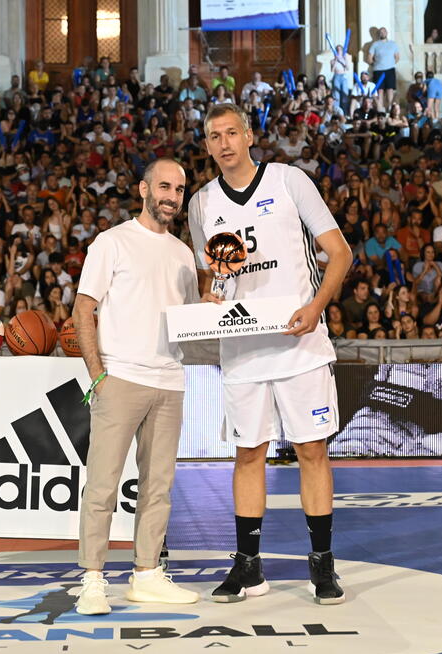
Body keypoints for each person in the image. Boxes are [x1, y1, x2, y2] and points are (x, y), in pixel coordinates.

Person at [190, 104, 351, 604]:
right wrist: (209, 293)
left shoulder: (288, 180)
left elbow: (340, 253)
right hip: (242, 349)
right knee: (247, 455)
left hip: (299, 343)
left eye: (231, 132)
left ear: (248, 135)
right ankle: (248, 565)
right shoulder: (201, 203)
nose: (223, 143)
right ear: (207, 145)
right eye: (214, 136)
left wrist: (316, 307)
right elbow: (208, 279)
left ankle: (322, 564)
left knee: (312, 451)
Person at [73, 158, 200, 615]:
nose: (172, 196)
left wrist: (213, 306)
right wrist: (98, 376)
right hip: (121, 379)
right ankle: (92, 580)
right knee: (102, 486)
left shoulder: (184, 254)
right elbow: (82, 309)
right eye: (164, 187)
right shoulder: (112, 242)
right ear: (143, 189)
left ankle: (146, 575)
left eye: (179, 189)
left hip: (169, 381)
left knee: (158, 488)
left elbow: (188, 321)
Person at [366, 27, 400, 110]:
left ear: (387, 32)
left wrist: (389, 64)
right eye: (381, 32)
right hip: (378, 70)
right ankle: (380, 109)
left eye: (384, 31)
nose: (382, 33)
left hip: (390, 69)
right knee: (379, 90)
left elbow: (397, 57)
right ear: (379, 34)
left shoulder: (393, 44)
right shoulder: (375, 44)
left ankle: (390, 109)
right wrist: (376, 64)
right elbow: (369, 58)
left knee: (390, 90)